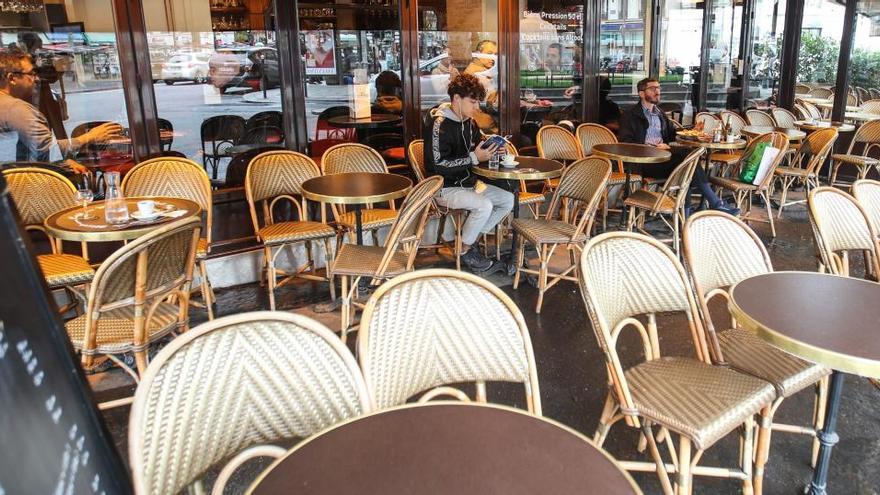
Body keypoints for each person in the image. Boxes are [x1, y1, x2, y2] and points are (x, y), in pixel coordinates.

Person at [424, 73, 514, 273]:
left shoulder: (469, 122)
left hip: (468, 185)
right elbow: (438, 164)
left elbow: (480, 144)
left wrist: (494, 149)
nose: (477, 107)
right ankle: (465, 250)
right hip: (443, 188)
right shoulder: (439, 125)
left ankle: (469, 242)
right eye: (473, 102)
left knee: (508, 200)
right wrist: (474, 158)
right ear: (456, 98)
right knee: (484, 205)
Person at [618, 77, 739, 216]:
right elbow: (626, 142)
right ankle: (711, 205)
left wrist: (693, 130)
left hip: (664, 160)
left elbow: (673, 134)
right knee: (686, 158)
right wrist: (651, 147)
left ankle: (689, 214)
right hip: (644, 162)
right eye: (652, 89)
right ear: (641, 93)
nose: (657, 91)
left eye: (658, 88)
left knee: (687, 164)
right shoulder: (630, 115)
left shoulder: (660, 113)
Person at [0, 48, 120, 164]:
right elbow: (51, 151)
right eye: (31, 73)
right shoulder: (17, 110)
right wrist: (91, 137)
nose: (36, 79)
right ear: (12, 78)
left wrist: (64, 162)